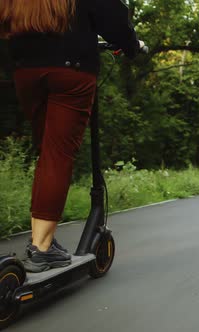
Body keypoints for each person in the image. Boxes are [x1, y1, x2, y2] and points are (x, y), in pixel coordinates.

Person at [0, 0, 143, 272]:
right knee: (58, 155)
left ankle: (42, 239)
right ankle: (41, 248)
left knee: (48, 152)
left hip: (25, 71)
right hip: (71, 70)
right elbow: (111, 14)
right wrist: (132, 44)